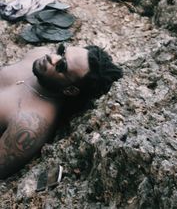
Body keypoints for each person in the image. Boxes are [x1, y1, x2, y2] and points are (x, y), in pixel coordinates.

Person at [0, 44, 123, 179]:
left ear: (70, 90)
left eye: (61, 65)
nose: (51, 57)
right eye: (61, 51)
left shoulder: (29, 124)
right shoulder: (38, 54)